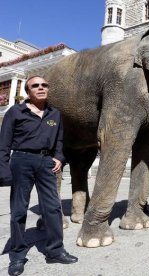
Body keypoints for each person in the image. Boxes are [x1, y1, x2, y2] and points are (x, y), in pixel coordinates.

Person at [0, 76, 77, 276]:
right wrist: (3, 170)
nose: (41, 87)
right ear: (28, 91)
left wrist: (59, 157)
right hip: (21, 161)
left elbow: (59, 139)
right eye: (36, 85)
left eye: (44, 85)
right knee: (19, 210)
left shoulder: (55, 114)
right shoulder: (15, 112)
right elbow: (3, 144)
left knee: (52, 207)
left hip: (46, 163)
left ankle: (55, 251)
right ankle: (17, 255)